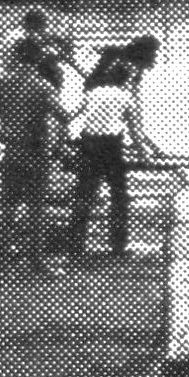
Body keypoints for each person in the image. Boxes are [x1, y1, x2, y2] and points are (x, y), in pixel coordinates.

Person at [0, 42, 73, 271]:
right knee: (36, 208)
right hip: (36, 150)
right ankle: (36, 261)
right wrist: (60, 145)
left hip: (12, 148)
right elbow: (64, 117)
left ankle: (3, 258)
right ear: (38, 60)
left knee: (8, 206)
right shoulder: (43, 86)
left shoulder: (2, 82)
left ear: (16, 57)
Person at [67, 52, 149, 264]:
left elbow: (70, 117)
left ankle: (75, 247)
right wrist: (143, 154)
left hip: (88, 145)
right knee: (119, 197)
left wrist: (65, 142)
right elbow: (134, 131)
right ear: (124, 80)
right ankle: (118, 247)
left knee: (84, 195)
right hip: (111, 147)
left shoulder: (92, 93)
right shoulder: (125, 97)